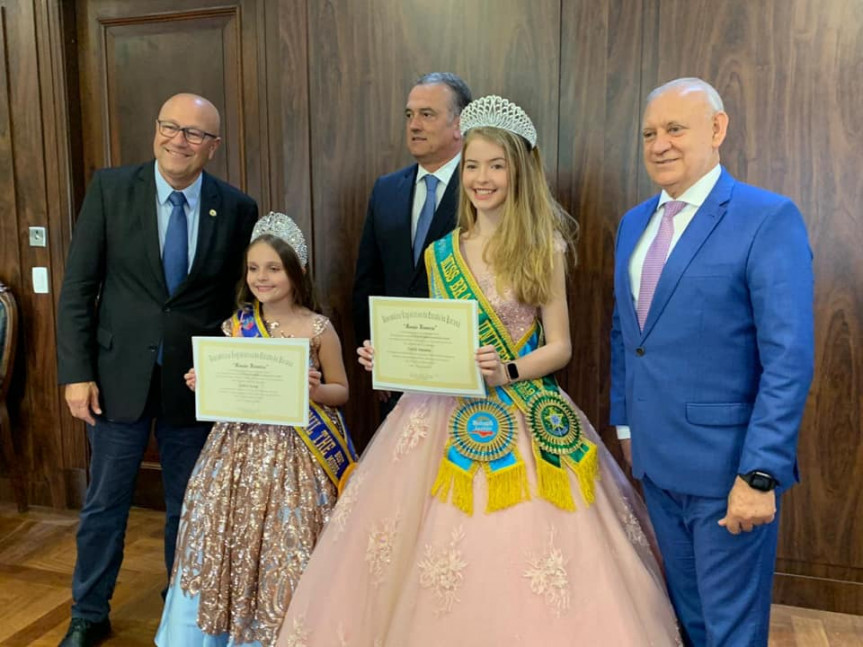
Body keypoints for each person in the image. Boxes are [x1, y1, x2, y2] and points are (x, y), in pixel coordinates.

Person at [274, 96, 682, 646]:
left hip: (523, 416)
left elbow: (560, 347)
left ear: (519, 171)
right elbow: (440, 340)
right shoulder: (442, 252)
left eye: (496, 166)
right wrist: (393, 364)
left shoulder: (543, 246)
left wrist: (506, 370)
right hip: (440, 416)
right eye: (472, 165)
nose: (481, 178)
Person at [610, 77, 814, 646]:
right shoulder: (634, 223)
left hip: (729, 472)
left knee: (731, 631)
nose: (660, 144)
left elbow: (788, 359)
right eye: (649, 132)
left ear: (717, 129)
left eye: (675, 128)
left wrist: (760, 474)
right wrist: (627, 424)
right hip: (655, 464)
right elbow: (626, 334)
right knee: (688, 620)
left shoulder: (767, 218)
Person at [56, 93, 258, 646]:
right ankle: (88, 613)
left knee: (188, 510)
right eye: (170, 127)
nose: (179, 140)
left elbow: (242, 300)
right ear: (156, 130)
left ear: (213, 147)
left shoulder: (238, 209)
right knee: (103, 504)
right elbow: (78, 289)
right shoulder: (111, 189)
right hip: (115, 380)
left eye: (194, 134)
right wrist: (76, 372)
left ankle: (180, 615)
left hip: (195, 385)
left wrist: (240, 369)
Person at [155, 212, 357, 646]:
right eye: (253, 269)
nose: (261, 278)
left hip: (298, 456)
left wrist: (315, 390)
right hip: (235, 453)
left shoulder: (318, 328)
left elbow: (342, 391)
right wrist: (205, 381)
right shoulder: (234, 326)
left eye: (273, 268)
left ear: (296, 272)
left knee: (286, 541)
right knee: (230, 536)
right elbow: (233, 385)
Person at [352, 72, 472, 415]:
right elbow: (368, 282)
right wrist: (378, 360)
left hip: (465, 381)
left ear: (458, 124)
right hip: (397, 377)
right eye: (409, 115)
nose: (414, 125)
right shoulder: (386, 189)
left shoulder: (481, 187)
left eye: (427, 114)